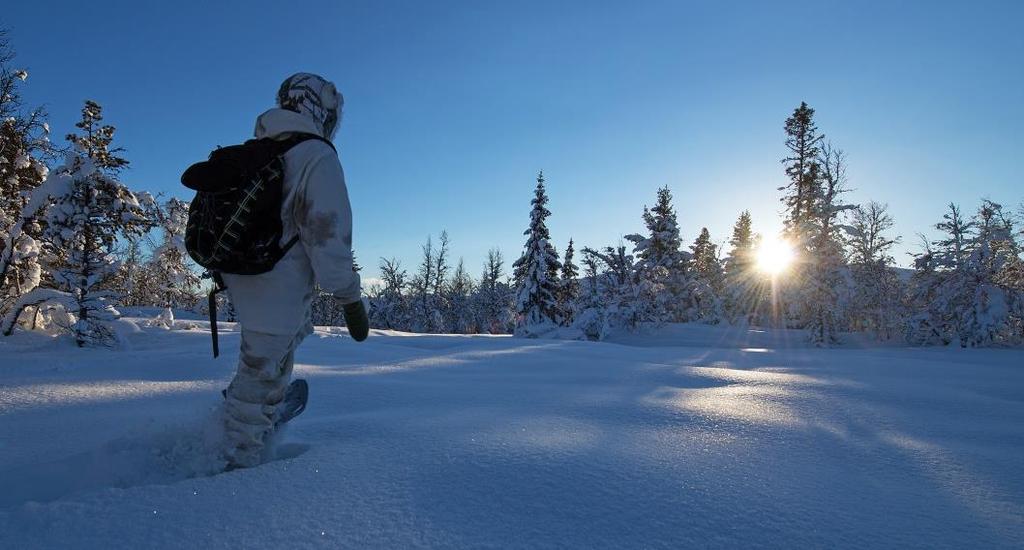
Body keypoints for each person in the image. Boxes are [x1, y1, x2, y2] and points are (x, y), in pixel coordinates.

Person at [220, 72, 368, 469]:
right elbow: (327, 239)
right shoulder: (315, 156)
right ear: (320, 107)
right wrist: (351, 298)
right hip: (277, 283)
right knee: (261, 369)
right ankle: (235, 462)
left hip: (244, 275)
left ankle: (258, 402)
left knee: (267, 356)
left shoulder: (263, 147)